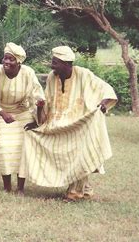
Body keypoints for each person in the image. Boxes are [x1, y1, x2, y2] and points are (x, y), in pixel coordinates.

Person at [19, 46, 117, 201]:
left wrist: (103, 104)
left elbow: (106, 89)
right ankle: (85, 189)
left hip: (78, 124)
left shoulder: (83, 74)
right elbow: (47, 103)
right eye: (53, 62)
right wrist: (38, 120)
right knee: (32, 137)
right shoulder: (52, 76)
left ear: (67, 64)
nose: (52, 66)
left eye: (55, 63)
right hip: (55, 125)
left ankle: (75, 192)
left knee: (78, 151)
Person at [0, 43, 45, 194]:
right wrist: (1, 112)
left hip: (23, 114)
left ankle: (21, 188)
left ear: (19, 62)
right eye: (5, 58)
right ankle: (7, 186)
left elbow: (37, 94)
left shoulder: (28, 72)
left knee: (22, 149)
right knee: (4, 148)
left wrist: (39, 107)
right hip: (5, 113)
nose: (6, 62)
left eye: (11, 59)